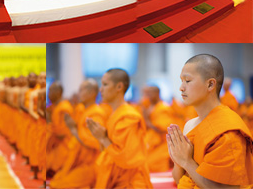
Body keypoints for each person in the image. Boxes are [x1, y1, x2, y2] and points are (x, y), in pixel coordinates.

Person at [168, 54, 253, 188]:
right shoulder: (189, 125)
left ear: (210, 84)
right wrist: (178, 160)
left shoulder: (227, 131)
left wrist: (187, 161)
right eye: (181, 81)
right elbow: (179, 179)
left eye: (188, 81)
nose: (181, 88)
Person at [86, 68, 152, 188]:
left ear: (119, 87)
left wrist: (104, 138)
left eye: (105, 84)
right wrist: (101, 138)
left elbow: (128, 158)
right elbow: (110, 150)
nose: (100, 89)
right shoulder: (114, 113)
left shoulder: (129, 116)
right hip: (114, 175)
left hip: (130, 180)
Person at [50, 79, 107, 189]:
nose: (78, 93)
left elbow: (95, 143)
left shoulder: (96, 114)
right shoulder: (85, 111)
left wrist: (73, 129)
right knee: (56, 180)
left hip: (91, 164)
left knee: (57, 185)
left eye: (82, 90)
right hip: (78, 160)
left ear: (91, 93)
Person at [142, 85, 174, 172]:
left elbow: (163, 128)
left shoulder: (163, 108)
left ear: (157, 93)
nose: (149, 96)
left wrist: (147, 121)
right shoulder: (151, 106)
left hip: (162, 143)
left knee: (150, 163)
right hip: (152, 142)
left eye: (150, 93)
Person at [47, 82, 73, 177]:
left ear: (59, 92)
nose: (48, 94)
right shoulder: (55, 107)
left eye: (51, 91)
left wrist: (50, 132)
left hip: (63, 146)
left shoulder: (64, 108)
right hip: (55, 145)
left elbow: (62, 133)